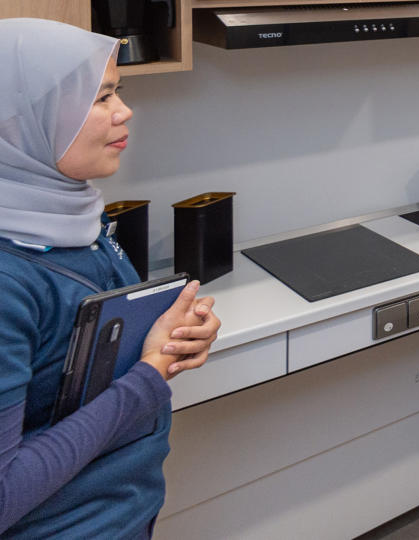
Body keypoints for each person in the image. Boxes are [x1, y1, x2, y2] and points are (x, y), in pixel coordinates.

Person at [0, 19, 221, 538]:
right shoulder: (8, 278)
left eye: (117, 92)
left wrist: (174, 335)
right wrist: (149, 377)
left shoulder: (75, 217)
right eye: (100, 98)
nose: (123, 112)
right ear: (24, 121)